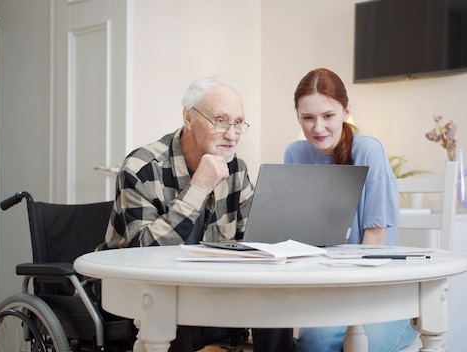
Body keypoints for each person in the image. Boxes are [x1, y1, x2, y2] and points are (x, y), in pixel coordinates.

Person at [98, 75, 293, 352]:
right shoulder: (142, 168)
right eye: (221, 120)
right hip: (137, 294)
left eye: (238, 123)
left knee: (276, 305)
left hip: (207, 290)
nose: (232, 134)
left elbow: (255, 239)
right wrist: (198, 186)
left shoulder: (235, 168)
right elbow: (141, 255)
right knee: (176, 307)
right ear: (188, 117)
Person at [285, 68, 418, 352]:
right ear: (297, 116)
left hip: (378, 292)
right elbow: (294, 240)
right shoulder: (294, 154)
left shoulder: (368, 151)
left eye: (328, 116)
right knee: (314, 343)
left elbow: (376, 239)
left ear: (346, 112)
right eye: (308, 118)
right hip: (323, 293)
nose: (318, 128)